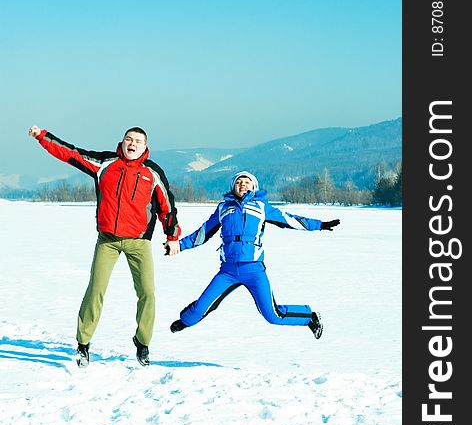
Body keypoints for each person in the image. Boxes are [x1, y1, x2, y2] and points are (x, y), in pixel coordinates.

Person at [28, 125, 181, 368]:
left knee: (147, 293)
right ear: (121, 142)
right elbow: (72, 154)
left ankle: (143, 344)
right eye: (128, 139)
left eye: (138, 141)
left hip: (139, 242)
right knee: (95, 290)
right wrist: (43, 137)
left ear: (145, 147)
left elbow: (167, 206)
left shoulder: (152, 172)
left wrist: (172, 236)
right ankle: (83, 344)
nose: (132, 143)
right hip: (107, 241)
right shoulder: (105, 163)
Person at [168, 171, 340, 338]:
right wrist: (179, 246)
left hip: (254, 271)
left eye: (247, 182)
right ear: (233, 187)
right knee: (200, 308)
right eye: (238, 182)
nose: (242, 184)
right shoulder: (223, 208)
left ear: (254, 187)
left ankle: (309, 316)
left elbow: (291, 220)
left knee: (273, 316)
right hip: (227, 272)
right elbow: (202, 234)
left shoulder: (261, 207)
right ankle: (185, 321)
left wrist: (320, 225)